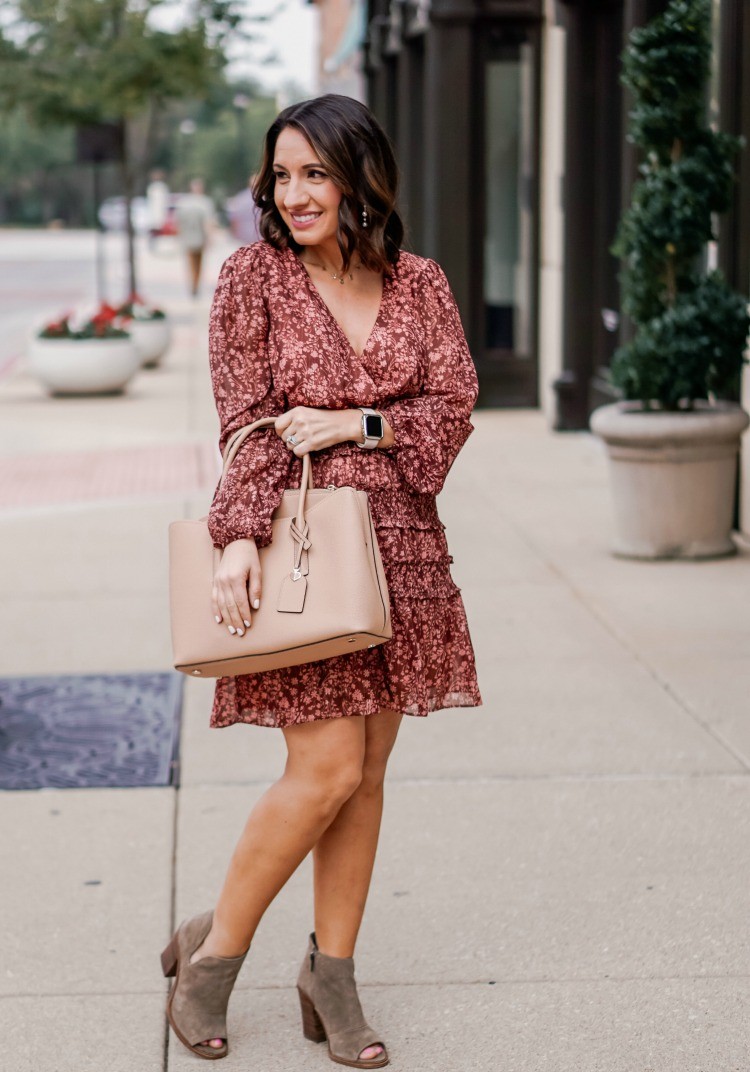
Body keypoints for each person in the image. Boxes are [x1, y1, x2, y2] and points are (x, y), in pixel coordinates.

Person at [161, 94, 482, 1067]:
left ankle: (331, 972)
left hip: (402, 550)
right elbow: (246, 421)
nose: (293, 192)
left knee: (367, 775)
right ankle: (216, 957)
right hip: (304, 553)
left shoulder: (417, 282)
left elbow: (452, 400)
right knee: (326, 770)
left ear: (358, 177)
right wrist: (236, 538)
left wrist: (361, 422)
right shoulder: (253, 278)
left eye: (314, 173)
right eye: (281, 173)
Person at [175, 177, 215, 296]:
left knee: (194, 263)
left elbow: (178, 222)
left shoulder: (184, 203)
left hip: (192, 237)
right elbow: (208, 223)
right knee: (196, 263)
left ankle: (194, 284)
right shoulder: (205, 203)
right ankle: (194, 284)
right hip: (197, 238)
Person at [226, 173, 261, 246]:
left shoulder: (240, 198)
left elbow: (234, 218)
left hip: (244, 236)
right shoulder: (266, 198)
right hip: (261, 235)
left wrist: (234, 233)